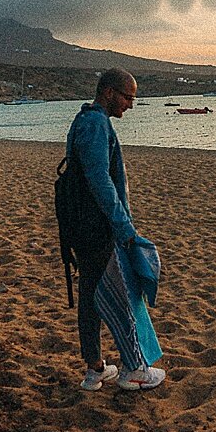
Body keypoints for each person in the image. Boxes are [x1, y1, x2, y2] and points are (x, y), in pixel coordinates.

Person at [65, 67, 165, 391]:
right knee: (122, 295)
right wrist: (123, 227)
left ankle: (95, 370)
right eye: (128, 97)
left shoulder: (85, 120)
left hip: (84, 227)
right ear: (109, 92)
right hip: (98, 229)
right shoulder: (95, 124)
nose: (131, 105)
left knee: (92, 297)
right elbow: (101, 182)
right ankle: (134, 369)